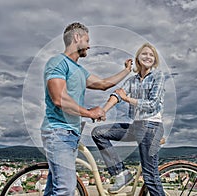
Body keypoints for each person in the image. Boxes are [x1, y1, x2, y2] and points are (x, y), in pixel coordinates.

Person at [40, 22, 132, 196]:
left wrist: (126, 71)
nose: (89, 45)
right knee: (66, 189)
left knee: (55, 188)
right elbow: (59, 98)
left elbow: (104, 84)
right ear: (77, 38)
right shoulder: (58, 62)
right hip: (58, 132)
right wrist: (89, 113)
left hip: (71, 134)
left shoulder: (79, 71)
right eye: (87, 40)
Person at [92, 42, 166, 195]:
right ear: (138, 58)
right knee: (98, 133)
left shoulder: (158, 76)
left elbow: (152, 104)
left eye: (151, 55)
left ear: (155, 60)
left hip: (151, 127)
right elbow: (118, 94)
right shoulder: (132, 80)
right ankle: (121, 174)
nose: (148, 57)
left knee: (150, 177)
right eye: (144, 53)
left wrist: (128, 100)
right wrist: (103, 111)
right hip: (137, 126)